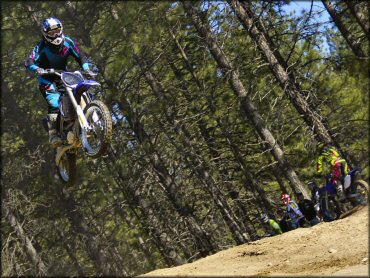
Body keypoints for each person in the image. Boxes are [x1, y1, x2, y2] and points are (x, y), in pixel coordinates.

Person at [25, 17, 94, 147]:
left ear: (61, 29)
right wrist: (37, 69)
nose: (55, 35)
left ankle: (85, 120)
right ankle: (53, 134)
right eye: (51, 33)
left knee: (80, 92)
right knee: (55, 103)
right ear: (45, 34)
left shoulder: (69, 42)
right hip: (47, 79)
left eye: (57, 30)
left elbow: (81, 56)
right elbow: (29, 61)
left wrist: (87, 69)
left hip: (63, 76)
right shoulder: (41, 47)